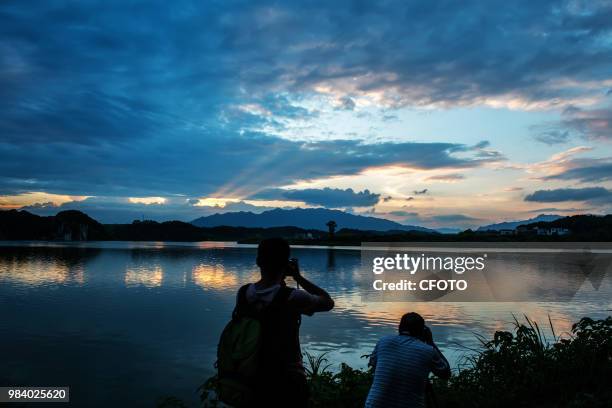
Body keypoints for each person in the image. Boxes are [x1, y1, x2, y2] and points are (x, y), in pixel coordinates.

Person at [234, 237, 334, 407]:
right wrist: (298, 277)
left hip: (250, 376)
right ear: (285, 264)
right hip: (287, 380)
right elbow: (327, 302)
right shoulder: (293, 297)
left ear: (258, 261)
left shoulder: (244, 293)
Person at [365, 312, 451, 408]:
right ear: (422, 331)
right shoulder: (428, 351)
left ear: (399, 327)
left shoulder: (383, 341)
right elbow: (446, 373)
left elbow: (373, 364)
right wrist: (431, 342)